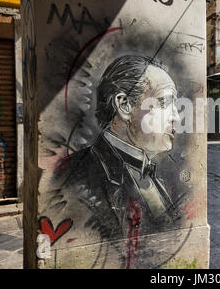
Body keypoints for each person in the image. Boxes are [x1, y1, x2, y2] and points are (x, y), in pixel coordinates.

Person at [44, 55, 183, 259]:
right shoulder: (75, 174)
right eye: (163, 102)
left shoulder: (155, 171)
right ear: (124, 105)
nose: (176, 117)